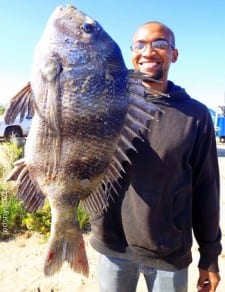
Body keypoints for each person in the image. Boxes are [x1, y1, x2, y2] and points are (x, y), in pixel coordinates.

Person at [90, 21, 222, 292]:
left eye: (160, 44)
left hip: (168, 252)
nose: (148, 52)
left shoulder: (195, 116)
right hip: (112, 245)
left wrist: (209, 255)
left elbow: (206, 187)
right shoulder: (107, 105)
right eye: (140, 45)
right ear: (131, 54)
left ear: (174, 54)